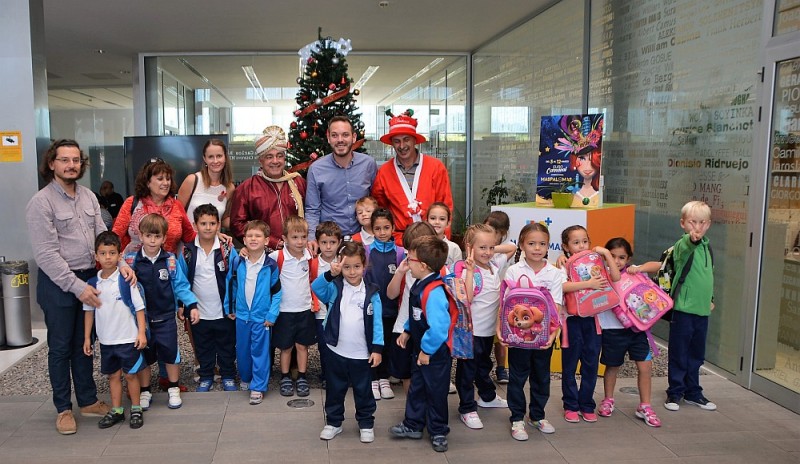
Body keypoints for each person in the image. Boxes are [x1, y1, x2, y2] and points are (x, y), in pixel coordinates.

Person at [26, 139, 121, 434]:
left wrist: (119, 263)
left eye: (76, 160)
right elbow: (46, 255)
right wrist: (76, 287)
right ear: (52, 163)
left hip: (89, 278)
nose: (71, 165)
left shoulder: (89, 197)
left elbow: (102, 236)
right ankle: (63, 409)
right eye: (64, 160)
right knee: (61, 347)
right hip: (59, 285)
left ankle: (88, 400)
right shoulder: (41, 203)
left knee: (85, 344)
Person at [124, 214, 199, 411]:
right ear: (140, 236)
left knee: (171, 352)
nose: (152, 240)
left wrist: (191, 304)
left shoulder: (170, 260)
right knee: (145, 355)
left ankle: (173, 388)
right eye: (148, 235)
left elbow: (181, 285)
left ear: (164, 238)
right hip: (142, 320)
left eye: (157, 236)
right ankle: (145, 390)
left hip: (165, 316)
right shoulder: (131, 261)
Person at [313, 241, 384, 443]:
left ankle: (366, 423)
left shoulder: (372, 293)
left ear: (364, 266)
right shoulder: (335, 287)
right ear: (340, 266)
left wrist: (377, 349)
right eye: (346, 267)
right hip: (336, 350)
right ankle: (334, 422)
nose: (352, 272)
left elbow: (377, 323)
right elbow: (316, 288)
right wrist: (330, 273)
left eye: (356, 266)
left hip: (362, 354)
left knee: (364, 391)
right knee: (335, 389)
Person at [501, 223, 563, 440]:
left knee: (541, 377)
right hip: (518, 337)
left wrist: (554, 335)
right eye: (532, 243)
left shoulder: (554, 273)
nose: (537, 248)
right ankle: (517, 418)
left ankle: (537, 415)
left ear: (548, 246)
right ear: (521, 245)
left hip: (544, 338)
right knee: (517, 378)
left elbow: (556, 307)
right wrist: (502, 331)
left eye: (542, 244)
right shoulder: (514, 270)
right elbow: (506, 304)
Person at [389, 235, 452, 452]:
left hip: (433, 354)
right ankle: (413, 424)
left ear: (423, 266)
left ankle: (438, 431)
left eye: (410, 259)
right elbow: (416, 314)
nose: (407, 261)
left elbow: (439, 328)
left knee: (436, 392)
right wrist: (407, 330)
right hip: (420, 351)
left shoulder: (433, 293)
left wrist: (426, 350)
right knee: (417, 388)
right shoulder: (419, 284)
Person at [82, 231, 147, 430]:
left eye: (112, 253)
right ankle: (117, 410)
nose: (107, 257)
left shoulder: (126, 280)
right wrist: (87, 338)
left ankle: (136, 408)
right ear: (96, 256)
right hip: (106, 340)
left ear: (120, 256)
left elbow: (139, 308)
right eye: (103, 253)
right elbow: (89, 312)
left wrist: (141, 333)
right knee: (113, 376)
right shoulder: (92, 284)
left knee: (130, 375)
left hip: (128, 338)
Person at [596, 237, 661, 427]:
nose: (616, 261)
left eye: (622, 257)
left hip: (638, 330)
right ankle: (608, 399)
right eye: (612, 256)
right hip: (612, 330)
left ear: (629, 258)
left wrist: (639, 269)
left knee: (645, 367)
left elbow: (659, 265)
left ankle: (645, 406)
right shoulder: (601, 275)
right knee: (612, 366)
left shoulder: (635, 274)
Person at [560, 225, 620, 423]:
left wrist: (605, 254)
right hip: (571, 322)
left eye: (584, 241)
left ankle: (586, 404)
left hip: (594, 321)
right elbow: (562, 286)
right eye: (575, 243)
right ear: (566, 246)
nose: (581, 246)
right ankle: (570, 405)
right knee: (569, 366)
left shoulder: (596, 260)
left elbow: (615, 277)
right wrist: (589, 284)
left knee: (591, 364)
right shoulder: (563, 264)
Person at [455, 224, 511, 431]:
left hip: (487, 331)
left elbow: (509, 249)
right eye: (482, 248)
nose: (488, 252)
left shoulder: (493, 267)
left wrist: (492, 248)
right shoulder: (467, 270)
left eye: (491, 247)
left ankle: (487, 396)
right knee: (467, 371)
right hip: (471, 332)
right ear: (469, 247)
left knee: (484, 365)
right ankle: (467, 408)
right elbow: (467, 298)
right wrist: (469, 271)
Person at [176, 204, 237, 393]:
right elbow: (181, 281)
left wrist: (234, 305)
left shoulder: (227, 250)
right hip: (199, 312)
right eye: (203, 223)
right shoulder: (187, 252)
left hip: (224, 311)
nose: (208, 227)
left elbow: (236, 277)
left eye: (212, 223)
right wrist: (183, 304)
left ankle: (227, 375)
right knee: (203, 346)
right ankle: (206, 376)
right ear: (195, 225)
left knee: (227, 345)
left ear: (219, 225)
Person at [664, 201, 717, 412]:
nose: (698, 227)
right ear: (683, 223)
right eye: (692, 222)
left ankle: (693, 391)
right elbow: (687, 246)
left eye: (702, 222)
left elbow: (708, 276)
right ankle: (675, 392)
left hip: (702, 311)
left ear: (709, 224)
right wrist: (691, 239)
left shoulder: (708, 247)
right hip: (683, 310)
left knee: (696, 353)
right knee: (679, 352)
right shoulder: (683, 245)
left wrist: (711, 298)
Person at [372, 109, 454, 243]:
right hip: (399, 241)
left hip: (432, 240)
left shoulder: (436, 167)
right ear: (392, 143)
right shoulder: (384, 172)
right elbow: (381, 209)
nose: (402, 146)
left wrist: (443, 241)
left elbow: (445, 205)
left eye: (406, 140)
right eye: (397, 141)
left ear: (415, 140)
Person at [225, 220, 282, 405]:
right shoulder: (238, 261)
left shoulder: (270, 266)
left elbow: (277, 292)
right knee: (242, 350)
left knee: (260, 352)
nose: (253, 239)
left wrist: (271, 315)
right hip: (242, 316)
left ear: (266, 240)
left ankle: (258, 386)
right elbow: (231, 285)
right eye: (249, 236)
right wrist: (230, 308)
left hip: (261, 318)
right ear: (244, 239)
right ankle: (247, 378)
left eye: (258, 236)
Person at [306, 115, 377, 252]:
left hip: (364, 240)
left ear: (354, 137)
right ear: (328, 138)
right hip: (330, 243)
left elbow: (376, 200)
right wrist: (311, 238)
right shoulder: (316, 169)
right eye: (334, 135)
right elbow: (312, 209)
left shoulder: (368, 164)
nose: (340, 140)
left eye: (345, 135)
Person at [229, 126, 306, 250]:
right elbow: (237, 224)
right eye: (269, 157)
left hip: (297, 254)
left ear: (284, 158)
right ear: (261, 160)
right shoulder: (247, 188)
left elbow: (312, 214)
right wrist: (270, 242)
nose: (275, 161)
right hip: (262, 256)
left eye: (279, 156)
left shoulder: (299, 183)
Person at [386, 221, 438, 394]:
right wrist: (400, 272)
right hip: (403, 327)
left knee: (426, 373)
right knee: (407, 374)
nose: (408, 253)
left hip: (426, 330)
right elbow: (391, 294)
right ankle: (412, 413)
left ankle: (423, 412)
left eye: (412, 250)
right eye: (407, 250)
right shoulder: (408, 267)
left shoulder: (437, 272)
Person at [269, 215, 317, 398]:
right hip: (284, 310)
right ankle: (285, 376)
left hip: (304, 309)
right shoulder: (277, 256)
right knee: (286, 347)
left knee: (302, 346)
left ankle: (303, 376)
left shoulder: (310, 257)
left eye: (303, 237)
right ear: (284, 238)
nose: (299, 241)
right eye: (294, 237)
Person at [113, 158, 195, 255]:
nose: (166, 183)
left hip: (168, 266)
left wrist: (210, 237)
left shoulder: (176, 206)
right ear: (147, 182)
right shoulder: (131, 203)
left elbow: (190, 236)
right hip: (133, 267)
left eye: (168, 179)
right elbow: (115, 237)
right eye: (160, 179)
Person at [364, 208, 403, 400]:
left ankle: (384, 378)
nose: (382, 232)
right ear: (372, 229)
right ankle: (372, 378)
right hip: (371, 308)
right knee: (372, 342)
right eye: (377, 228)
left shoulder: (400, 253)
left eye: (386, 227)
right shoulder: (366, 251)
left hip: (391, 308)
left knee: (388, 343)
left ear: (393, 228)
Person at [177, 138, 236, 230]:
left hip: (213, 242)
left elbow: (224, 220)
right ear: (205, 159)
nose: (215, 161)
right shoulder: (192, 181)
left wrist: (249, 226)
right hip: (189, 242)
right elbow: (177, 215)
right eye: (211, 157)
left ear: (225, 157)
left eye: (219, 156)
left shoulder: (229, 188)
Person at [313, 221, 344, 388]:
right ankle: (326, 375)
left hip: (339, 311)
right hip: (321, 313)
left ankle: (341, 374)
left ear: (339, 243)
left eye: (332, 242)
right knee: (324, 346)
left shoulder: (343, 261)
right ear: (318, 243)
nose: (328, 247)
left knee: (340, 342)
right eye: (324, 242)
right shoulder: (313, 263)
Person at [484, 210, 513, 384]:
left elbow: (512, 248)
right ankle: (483, 366)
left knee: (500, 339)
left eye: (493, 233)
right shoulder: (478, 248)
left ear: (502, 234)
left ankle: (501, 368)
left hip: (500, 300)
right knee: (484, 337)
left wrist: (490, 248)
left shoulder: (501, 254)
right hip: (483, 300)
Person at [426, 202, 461, 267]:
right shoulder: (420, 245)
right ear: (426, 221)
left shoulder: (454, 248)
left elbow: (457, 272)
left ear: (448, 223)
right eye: (433, 218)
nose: (437, 222)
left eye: (442, 219)